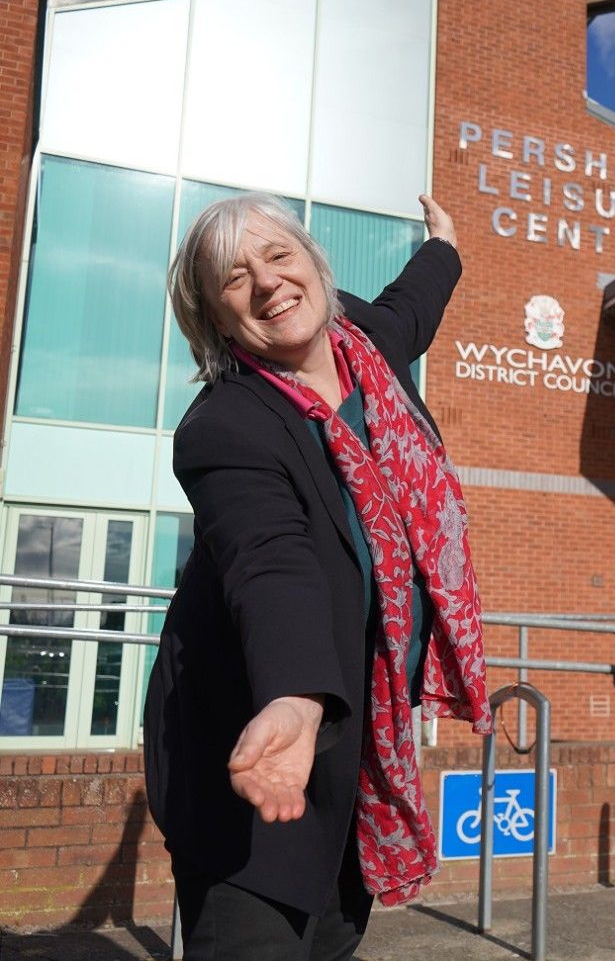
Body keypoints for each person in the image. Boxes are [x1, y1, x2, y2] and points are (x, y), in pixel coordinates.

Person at [144, 192, 492, 961]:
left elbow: (414, 303)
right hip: (253, 761)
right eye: (236, 278)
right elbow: (271, 560)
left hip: (356, 762)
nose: (268, 283)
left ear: (314, 263)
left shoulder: (367, 342)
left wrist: (446, 244)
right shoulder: (227, 426)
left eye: (278, 255)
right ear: (216, 319)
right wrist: (295, 697)